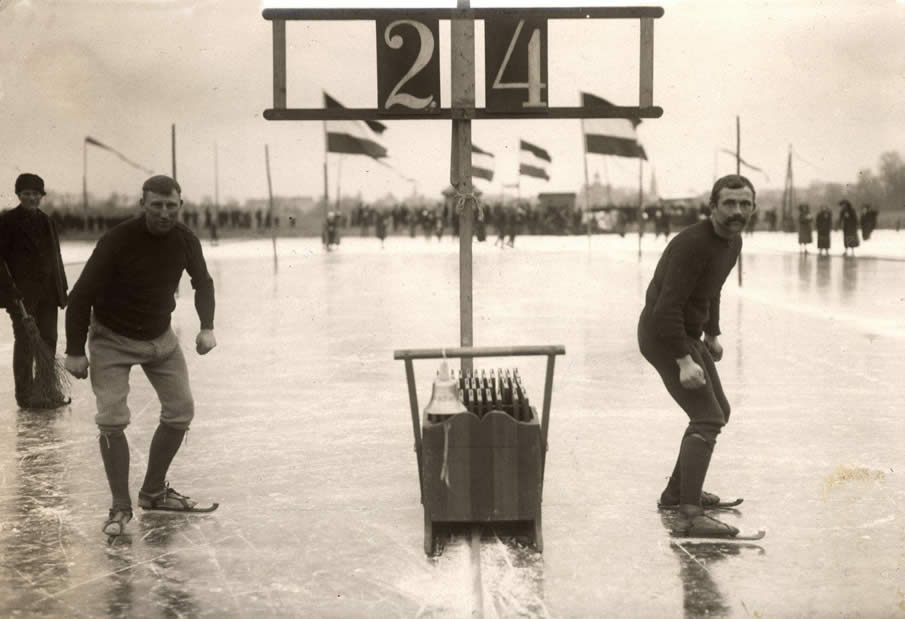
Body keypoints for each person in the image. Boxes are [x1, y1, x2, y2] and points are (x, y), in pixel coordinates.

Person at [64, 175, 217, 537]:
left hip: (160, 339)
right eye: (156, 205)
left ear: (180, 205)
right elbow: (81, 294)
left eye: (171, 206)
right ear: (142, 204)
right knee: (112, 420)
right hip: (111, 339)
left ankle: (152, 491)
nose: (164, 213)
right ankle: (120, 506)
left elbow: (203, 282)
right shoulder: (117, 239)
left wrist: (207, 325)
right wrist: (74, 351)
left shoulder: (185, 240)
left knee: (180, 412)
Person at [638, 174, 756, 538]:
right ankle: (690, 515)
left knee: (720, 410)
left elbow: (712, 290)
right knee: (706, 417)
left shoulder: (731, 242)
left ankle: (677, 493)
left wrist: (712, 332)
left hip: (687, 333)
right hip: (664, 335)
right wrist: (683, 360)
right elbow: (665, 308)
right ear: (712, 207)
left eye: (745, 204)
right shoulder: (692, 244)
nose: (738, 211)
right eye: (729, 204)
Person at [0, 173, 69, 409]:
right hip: (21, 295)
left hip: (49, 292)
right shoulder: (7, 221)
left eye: (36, 194)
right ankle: (25, 395)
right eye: (26, 193)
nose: (31, 197)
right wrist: (10, 292)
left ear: (42, 196)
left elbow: (56, 257)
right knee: (26, 342)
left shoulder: (47, 221)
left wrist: (63, 288)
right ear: (19, 195)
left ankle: (46, 389)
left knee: (49, 340)